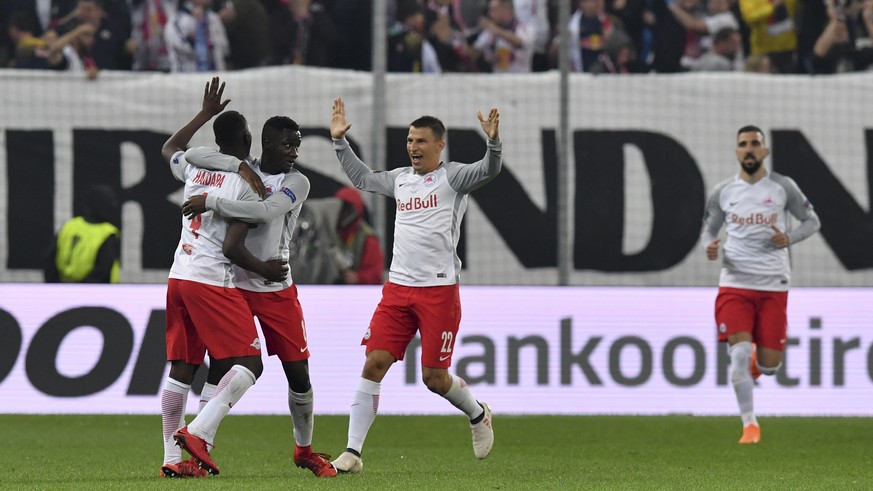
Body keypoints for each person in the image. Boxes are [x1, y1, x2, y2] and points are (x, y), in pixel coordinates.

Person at [327, 98, 501, 473]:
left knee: (434, 379)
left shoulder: (453, 178)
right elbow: (362, 178)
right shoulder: (400, 179)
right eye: (409, 141)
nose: (413, 148)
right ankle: (353, 453)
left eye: (421, 141)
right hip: (397, 289)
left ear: (440, 145)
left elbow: (488, 171)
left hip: (439, 291)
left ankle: (477, 414)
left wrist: (493, 144)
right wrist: (340, 142)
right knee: (374, 363)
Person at [179, 116, 338, 477]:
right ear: (265, 143)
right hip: (232, 285)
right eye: (287, 145)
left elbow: (266, 212)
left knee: (299, 375)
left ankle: (304, 451)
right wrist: (234, 164)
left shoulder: (296, 181)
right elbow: (184, 155)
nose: (294, 152)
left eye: (297, 145)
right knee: (222, 369)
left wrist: (213, 202)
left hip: (275, 289)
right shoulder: (240, 170)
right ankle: (195, 449)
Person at [157, 77, 283, 478]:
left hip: (179, 274)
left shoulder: (195, 165)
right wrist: (264, 269)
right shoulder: (247, 183)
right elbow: (232, 247)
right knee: (248, 362)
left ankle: (175, 461)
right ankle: (197, 435)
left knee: (184, 367)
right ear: (247, 137)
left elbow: (169, 149)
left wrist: (204, 113)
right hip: (211, 278)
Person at [701, 125, 820, 444]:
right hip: (735, 284)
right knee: (737, 355)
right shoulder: (723, 191)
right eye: (743, 144)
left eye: (755, 143)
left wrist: (789, 237)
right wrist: (710, 244)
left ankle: (758, 362)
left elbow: (813, 221)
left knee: (769, 368)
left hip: (773, 286)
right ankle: (750, 425)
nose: (749, 149)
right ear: (737, 151)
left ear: (765, 151)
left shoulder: (783, 187)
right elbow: (708, 227)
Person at [44, 183, 120, 283]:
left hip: (62, 291)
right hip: (96, 295)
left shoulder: (69, 226)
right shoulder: (108, 233)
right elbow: (103, 271)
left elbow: (49, 261)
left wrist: (56, 288)